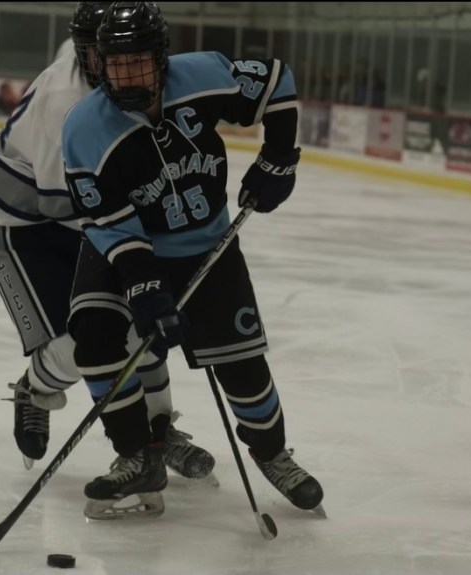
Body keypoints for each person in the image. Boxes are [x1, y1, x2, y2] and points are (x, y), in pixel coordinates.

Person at [60, 1, 323, 519]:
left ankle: (272, 453)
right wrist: (143, 283)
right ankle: (137, 455)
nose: (127, 75)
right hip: (124, 249)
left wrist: (280, 158)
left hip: (207, 244)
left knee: (242, 366)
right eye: (117, 64)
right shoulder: (85, 128)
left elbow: (277, 82)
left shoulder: (202, 75)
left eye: (139, 62)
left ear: (161, 58)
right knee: (94, 336)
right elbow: (107, 219)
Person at [0, 2, 215, 481]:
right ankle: (35, 389)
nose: (118, 66)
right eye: (103, 55)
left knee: (140, 327)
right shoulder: (68, 105)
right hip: (23, 221)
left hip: (82, 215)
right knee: (85, 339)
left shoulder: (117, 74)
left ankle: (158, 430)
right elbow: (78, 205)